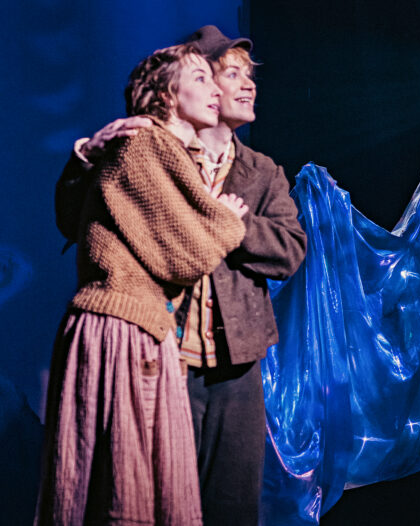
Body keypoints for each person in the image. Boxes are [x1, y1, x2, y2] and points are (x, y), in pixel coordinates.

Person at [56, 26, 307, 525]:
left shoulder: (262, 172)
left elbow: (290, 250)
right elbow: (73, 220)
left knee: (231, 506)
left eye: (249, 76)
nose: (247, 85)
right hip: (165, 354)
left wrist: (229, 223)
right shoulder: (151, 148)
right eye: (230, 74)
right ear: (192, 86)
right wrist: (85, 156)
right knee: (161, 501)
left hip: (236, 362)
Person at [36, 44, 249, 525]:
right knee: (127, 495)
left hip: (137, 327)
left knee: (141, 490)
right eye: (200, 78)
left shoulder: (159, 150)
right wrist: (226, 221)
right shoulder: (146, 143)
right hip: (123, 330)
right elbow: (186, 256)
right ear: (167, 94)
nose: (215, 89)